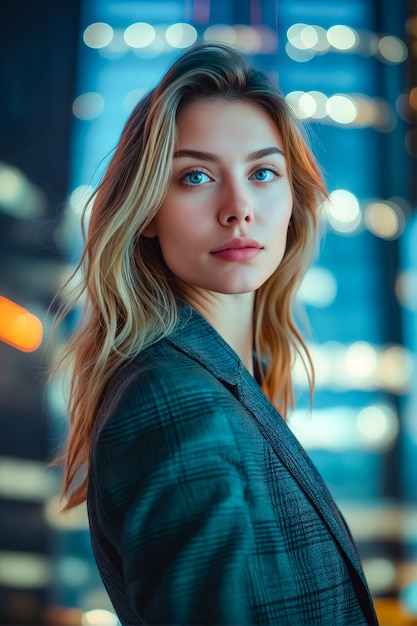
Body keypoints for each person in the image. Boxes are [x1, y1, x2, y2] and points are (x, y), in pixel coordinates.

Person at [55, 42, 378, 625]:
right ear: (147, 208)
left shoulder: (222, 380)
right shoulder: (169, 396)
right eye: (196, 176)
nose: (239, 208)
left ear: (292, 199)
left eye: (262, 172)